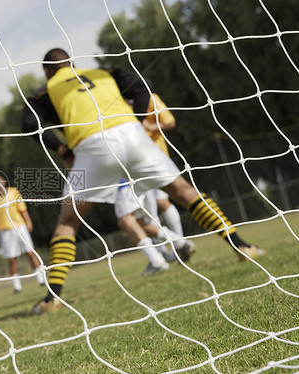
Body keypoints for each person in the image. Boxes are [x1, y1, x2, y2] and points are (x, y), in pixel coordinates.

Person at [20, 48, 265, 315]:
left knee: (67, 222)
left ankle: (52, 298)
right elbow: (141, 85)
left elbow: (30, 123)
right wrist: (136, 119)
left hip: (92, 145)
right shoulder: (104, 73)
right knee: (184, 191)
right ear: (74, 64)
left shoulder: (43, 92)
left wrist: (64, 151)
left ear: (47, 71)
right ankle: (242, 245)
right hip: (133, 134)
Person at [114, 93, 196, 276]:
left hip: (138, 167)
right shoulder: (118, 104)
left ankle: (162, 256)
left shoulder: (145, 99)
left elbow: (169, 121)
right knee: (143, 218)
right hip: (139, 167)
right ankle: (173, 248)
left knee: (127, 219)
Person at [0, 174, 45, 293]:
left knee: (30, 253)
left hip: (20, 227)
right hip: (5, 231)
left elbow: (22, 208)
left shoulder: (14, 192)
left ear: (4, 182)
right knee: (11, 259)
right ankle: (17, 286)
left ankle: (41, 279)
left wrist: (28, 221)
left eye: (0, 181)